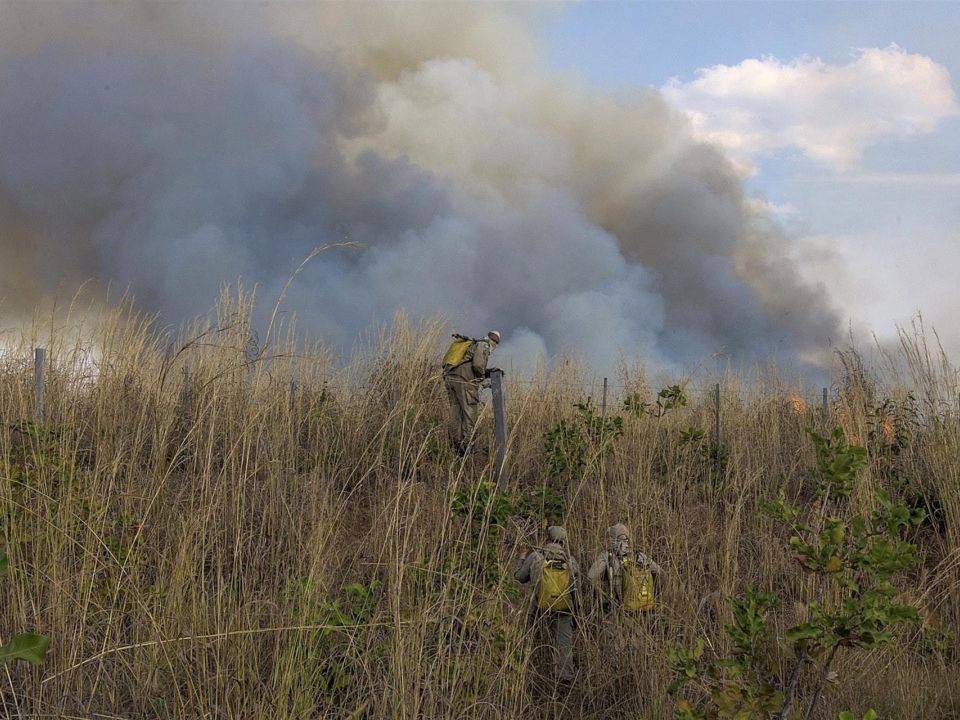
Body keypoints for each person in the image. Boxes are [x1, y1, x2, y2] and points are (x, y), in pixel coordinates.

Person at [514, 525, 579, 683]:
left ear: (547, 539)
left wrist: (522, 557)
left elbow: (519, 577)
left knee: (530, 640)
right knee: (564, 646)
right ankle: (565, 680)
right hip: (563, 609)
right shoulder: (570, 560)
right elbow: (575, 584)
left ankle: (528, 673)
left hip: (539, 609)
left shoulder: (536, 556)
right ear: (564, 541)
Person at [442, 330, 500, 455]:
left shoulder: (472, 343)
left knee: (455, 412)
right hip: (465, 381)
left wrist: (486, 372)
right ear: (494, 342)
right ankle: (468, 446)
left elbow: (471, 363)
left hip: (450, 378)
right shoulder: (484, 345)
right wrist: (484, 376)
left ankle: (455, 445)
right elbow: (478, 365)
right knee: (470, 412)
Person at [588, 523, 662, 613]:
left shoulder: (607, 556)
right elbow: (660, 572)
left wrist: (604, 598)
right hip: (645, 608)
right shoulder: (640, 556)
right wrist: (655, 594)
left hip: (619, 609)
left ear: (611, 538)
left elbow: (591, 577)